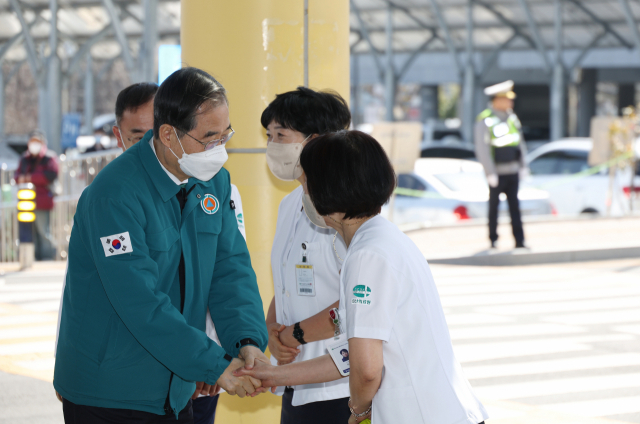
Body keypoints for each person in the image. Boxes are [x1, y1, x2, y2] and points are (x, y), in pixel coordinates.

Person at [54, 67, 268, 423]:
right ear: (168, 134)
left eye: (225, 135)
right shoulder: (115, 196)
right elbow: (140, 302)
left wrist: (247, 342)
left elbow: (230, 270)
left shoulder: (212, 181)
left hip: (174, 389)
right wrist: (215, 365)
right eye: (209, 138)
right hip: (110, 393)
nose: (219, 150)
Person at [236, 130, 489, 424]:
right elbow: (350, 354)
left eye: (305, 181)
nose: (302, 191)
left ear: (328, 189)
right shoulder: (383, 239)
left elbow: (367, 370)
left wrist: (358, 411)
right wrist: (274, 375)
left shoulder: (366, 256)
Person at [262, 87, 351, 424]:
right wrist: (272, 329)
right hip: (295, 382)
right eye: (269, 135)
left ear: (314, 141)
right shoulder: (290, 204)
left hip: (338, 387)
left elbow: (354, 304)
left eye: (281, 134)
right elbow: (286, 282)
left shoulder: (346, 210)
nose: (272, 145)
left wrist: (293, 335)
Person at [474, 80, 528, 249]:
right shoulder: (486, 120)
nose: (511, 103)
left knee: (515, 208)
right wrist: (490, 172)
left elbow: (519, 143)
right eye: (507, 99)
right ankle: (493, 240)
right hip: (497, 172)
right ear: (498, 100)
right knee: (494, 209)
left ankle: (519, 241)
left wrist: (523, 166)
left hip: (512, 170)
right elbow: (482, 149)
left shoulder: (512, 118)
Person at [14, 130, 59, 260]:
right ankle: (31, 259)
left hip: (42, 201)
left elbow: (50, 175)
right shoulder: (24, 158)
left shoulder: (49, 158)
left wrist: (28, 177)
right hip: (25, 202)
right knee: (29, 233)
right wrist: (33, 178)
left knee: (43, 232)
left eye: (37, 142)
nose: (34, 145)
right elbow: (16, 177)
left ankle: (47, 258)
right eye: (32, 142)